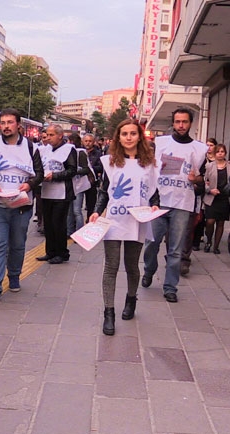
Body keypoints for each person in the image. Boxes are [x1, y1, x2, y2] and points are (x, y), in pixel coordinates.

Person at [89, 119, 159, 335]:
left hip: (137, 219)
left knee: (131, 265)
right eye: (124, 134)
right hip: (114, 219)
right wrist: (95, 211)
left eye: (133, 133)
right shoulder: (110, 162)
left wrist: (155, 205)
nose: (129, 137)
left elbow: (153, 191)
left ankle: (131, 299)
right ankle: (108, 313)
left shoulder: (150, 164)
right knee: (111, 266)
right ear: (118, 138)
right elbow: (104, 190)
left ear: (140, 136)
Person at [141, 108, 208, 302]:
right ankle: (149, 270)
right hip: (159, 202)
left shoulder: (200, 149)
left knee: (175, 249)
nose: (181, 125)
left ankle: (170, 287)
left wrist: (196, 179)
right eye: (177, 121)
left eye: (184, 122)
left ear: (190, 123)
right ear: (173, 122)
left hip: (182, 203)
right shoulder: (160, 143)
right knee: (151, 243)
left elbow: (203, 180)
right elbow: (147, 168)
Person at [0, 108, 44, 302]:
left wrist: (29, 184)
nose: (6, 126)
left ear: (18, 126)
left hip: (21, 205)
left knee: (17, 244)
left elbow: (39, 173)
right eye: (3, 123)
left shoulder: (32, 148)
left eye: (10, 123)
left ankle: (14, 276)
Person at [35, 125, 77, 264]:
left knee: (58, 223)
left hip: (62, 192)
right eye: (47, 134)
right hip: (46, 190)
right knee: (48, 224)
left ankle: (62, 252)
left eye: (52, 135)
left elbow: (72, 170)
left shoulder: (69, 149)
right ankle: (50, 251)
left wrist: (55, 175)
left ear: (60, 135)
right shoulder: (45, 149)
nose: (48, 137)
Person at [180, 137, 218, 275]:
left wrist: (195, 181)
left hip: (192, 202)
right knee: (173, 233)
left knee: (188, 230)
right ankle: (173, 257)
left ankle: (184, 259)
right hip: (174, 202)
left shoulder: (202, 164)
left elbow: (202, 184)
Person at [203, 143, 230, 255]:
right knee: (210, 221)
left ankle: (216, 246)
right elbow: (204, 182)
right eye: (218, 152)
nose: (220, 154)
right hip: (212, 197)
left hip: (225, 198)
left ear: (225, 153)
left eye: (222, 152)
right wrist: (209, 190)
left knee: (220, 223)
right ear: (215, 153)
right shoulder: (209, 166)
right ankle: (208, 241)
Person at [67, 132, 92, 235]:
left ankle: (79, 232)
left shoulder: (80, 152)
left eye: (68, 140)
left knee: (77, 210)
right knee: (69, 211)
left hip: (78, 185)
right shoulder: (68, 152)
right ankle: (69, 231)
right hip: (70, 185)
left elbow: (86, 169)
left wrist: (73, 171)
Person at [84, 133, 103, 220]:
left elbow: (101, 167)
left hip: (92, 182)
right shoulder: (79, 152)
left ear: (93, 142)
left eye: (90, 141)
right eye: (86, 141)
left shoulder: (98, 153)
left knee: (91, 205)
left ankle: (89, 222)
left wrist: (90, 169)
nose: (88, 143)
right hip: (79, 181)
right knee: (76, 209)